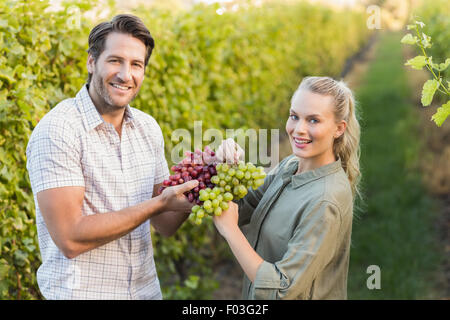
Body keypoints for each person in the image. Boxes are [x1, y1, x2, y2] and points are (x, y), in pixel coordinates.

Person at [26, 14, 198, 300]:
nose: (125, 75)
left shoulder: (147, 128)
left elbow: (165, 223)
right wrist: (157, 204)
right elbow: (70, 238)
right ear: (92, 62)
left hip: (145, 293)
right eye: (115, 60)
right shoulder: (58, 130)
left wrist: (202, 182)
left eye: (136, 65)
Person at [213, 76, 361, 299]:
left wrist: (231, 232)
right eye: (294, 117)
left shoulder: (324, 201)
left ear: (339, 129)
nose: (299, 129)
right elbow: (244, 206)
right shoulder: (291, 166)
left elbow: (282, 290)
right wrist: (225, 168)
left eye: (313, 120)